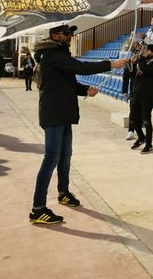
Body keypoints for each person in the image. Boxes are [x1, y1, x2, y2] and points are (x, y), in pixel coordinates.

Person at [29, 24, 127, 225]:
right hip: (54, 113)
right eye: (66, 34)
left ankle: (63, 192)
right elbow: (80, 68)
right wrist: (111, 64)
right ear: (55, 36)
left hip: (64, 112)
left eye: (71, 33)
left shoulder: (60, 54)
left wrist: (84, 91)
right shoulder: (51, 54)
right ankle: (38, 209)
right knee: (51, 159)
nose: (70, 36)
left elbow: (69, 82)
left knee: (65, 156)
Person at [129, 43, 153, 153]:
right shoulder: (142, 60)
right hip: (137, 92)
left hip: (147, 94)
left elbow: (146, 70)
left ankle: (149, 144)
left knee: (146, 120)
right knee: (133, 119)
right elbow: (133, 74)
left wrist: (140, 58)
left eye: (146, 50)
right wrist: (133, 64)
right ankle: (141, 137)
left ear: (151, 52)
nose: (144, 52)